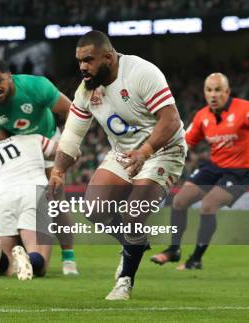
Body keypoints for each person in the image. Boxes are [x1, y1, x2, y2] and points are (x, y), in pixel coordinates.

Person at [48, 30, 187, 300]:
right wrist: (58, 170)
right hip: (124, 152)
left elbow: (170, 120)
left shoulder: (141, 72)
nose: (82, 67)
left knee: (134, 215)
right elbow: (73, 135)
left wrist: (145, 151)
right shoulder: (86, 90)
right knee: (94, 209)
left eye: (88, 60)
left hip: (164, 149)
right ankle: (133, 242)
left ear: (109, 57)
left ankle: (125, 280)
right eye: (79, 61)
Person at [150, 73, 249, 270]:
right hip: (215, 167)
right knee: (179, 201)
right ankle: (173, 250)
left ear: (227, 92)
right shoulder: (202, 115)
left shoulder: (245, 108)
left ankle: (195, 259)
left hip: (241, 172)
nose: (213, 95)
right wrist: (157, 155)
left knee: (208, 205)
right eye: (209, 90)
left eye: (218, 90)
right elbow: (185, 143)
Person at [0, 58, 79, 275]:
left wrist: (69, 146)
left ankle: (68, 257)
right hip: (22, 148)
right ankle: (28, 254)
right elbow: (3, 141)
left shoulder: (36, 86)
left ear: (10, 77)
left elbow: (70, 110)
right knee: (27, 202)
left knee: (56, 201)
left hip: (48, 140)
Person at [0, 134, 56, 280]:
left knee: (9, 267)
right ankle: (29, 259)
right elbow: (63, 151)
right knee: (41, 264)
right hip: (34, 192)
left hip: (1, 197)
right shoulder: (33, 138)